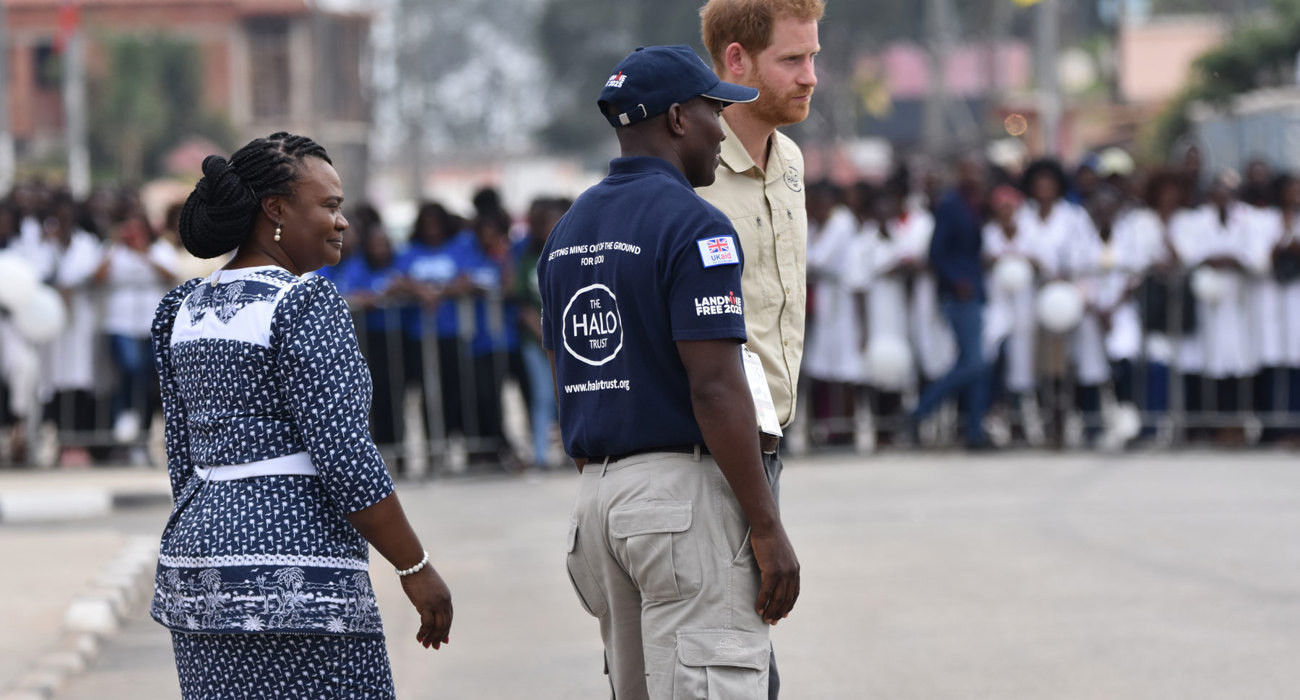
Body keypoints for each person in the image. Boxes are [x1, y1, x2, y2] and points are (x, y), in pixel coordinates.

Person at [150, 132, 452, 699]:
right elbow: (346, 457)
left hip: (196, 571)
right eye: (330, 207)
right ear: (276, 210)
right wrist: (415, 568)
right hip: (298, 580)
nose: (342, 223)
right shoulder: (304, 302)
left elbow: (180, 455)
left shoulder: (181, 308)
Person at [539, 46, 799, 700]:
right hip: (678, 504)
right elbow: (715, 387)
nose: (723, 129)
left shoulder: (568, 231)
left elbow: (567, 374)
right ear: (679, 118)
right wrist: (766, 528)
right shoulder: (696, 226)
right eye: (715, 110)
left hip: (600, 504)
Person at [909, 154, 993, 449]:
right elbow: (937, 253)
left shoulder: (975, 206)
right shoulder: (950, 206)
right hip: (959, 295)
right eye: (970, 171)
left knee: (974, 364)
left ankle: (974, 431)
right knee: (974, 363)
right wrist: (958, 280)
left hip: (976, 292)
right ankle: (919, 411)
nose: (976, 177)